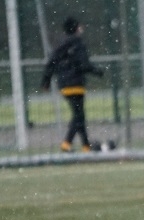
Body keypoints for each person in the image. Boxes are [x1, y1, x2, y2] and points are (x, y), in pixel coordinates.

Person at [41, 17, 104, 153]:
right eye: (79, 26)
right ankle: (66, 143)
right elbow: (84, 64)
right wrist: (98, 71)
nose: (81, 28)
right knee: (78, 116)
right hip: (76, 83)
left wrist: (46, 80)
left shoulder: (61, 44)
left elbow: (51, 61)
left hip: (64, 84)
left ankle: (86, 146)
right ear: (75, 28)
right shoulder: (78, 43)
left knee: (79, 115)